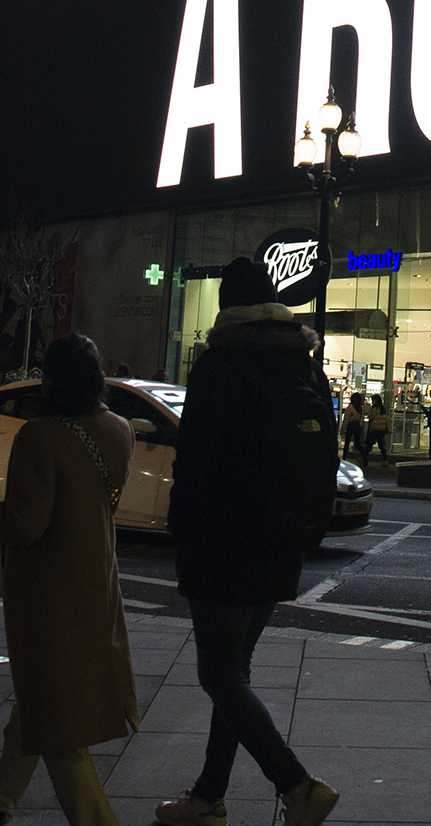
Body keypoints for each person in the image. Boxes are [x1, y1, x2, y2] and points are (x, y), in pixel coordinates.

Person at [155, 256, 340, 826]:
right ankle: (208, 799)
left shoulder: (222, 365)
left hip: (224, 545)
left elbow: (197, 464)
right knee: (235, 671)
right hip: (282, 542)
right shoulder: (303, 366)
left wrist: (181, 534)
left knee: (219, 674)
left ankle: (297, 786)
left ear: (226, 311)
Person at [0, 334, 136, 826]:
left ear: (51, 380)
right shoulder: (120, 430)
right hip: (96, 585)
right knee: (35, 710)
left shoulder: (41, 436)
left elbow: (25, 524)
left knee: (58, 731)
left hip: (50, 598)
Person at [341, 392, 368, 463]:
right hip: (358, 427)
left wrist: (342, 430)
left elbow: (346, 420)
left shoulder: (350, 409)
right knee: (357, 443)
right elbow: (361, 420)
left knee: (347, 443)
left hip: (350, 426)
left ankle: (344, 458)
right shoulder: (360, 409)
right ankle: (364, 456)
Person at [367, 395, 393, 465]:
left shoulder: (374, 409)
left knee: (369, 444)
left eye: (373, 400)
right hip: (381, 429)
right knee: (381, 445)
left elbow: (371, 417)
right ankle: (385, 460)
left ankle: (365, 458)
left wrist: (370, 411)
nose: (372, 402)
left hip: (375, 428)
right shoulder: (382, 409)